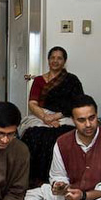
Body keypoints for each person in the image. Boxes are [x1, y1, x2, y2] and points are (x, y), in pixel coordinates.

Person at [19, 46, 84, 187]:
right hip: (40, 115)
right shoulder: (39, 81)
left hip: (64, 115)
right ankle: (33, 180)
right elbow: (32, 103)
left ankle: (59, 180)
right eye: (52, 58)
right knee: (33, 134)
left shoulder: (72, 80)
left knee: (62, 136)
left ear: (64, 61)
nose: (55, 61)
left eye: (59, 58)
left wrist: (55, 117)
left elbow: (77, 103)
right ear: (48, 60)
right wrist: (45, 117)